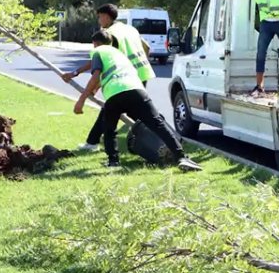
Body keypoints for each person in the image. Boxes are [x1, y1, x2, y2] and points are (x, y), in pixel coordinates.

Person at [72, 30, 201, 171]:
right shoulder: (119, 55)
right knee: (158, 123)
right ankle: (181, 157)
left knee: (110, 129)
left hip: (115, 94)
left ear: (95, 43)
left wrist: (81, 100)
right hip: (136, 90)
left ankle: (113, 162)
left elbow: (96, 74)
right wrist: (80, 78)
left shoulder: (98, 52)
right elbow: (109, 72)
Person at [63, 4, 156, 152]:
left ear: (106, 16)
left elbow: (102, 60)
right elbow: (147, 48)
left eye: (99, 17)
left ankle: (93, 143)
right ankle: (157, 139)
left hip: (124, 77)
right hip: (141, 73)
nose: (99, 21)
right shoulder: (130, 29)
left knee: (111, 109)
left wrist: (81, 78)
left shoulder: (109, 33)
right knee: (136, 111)